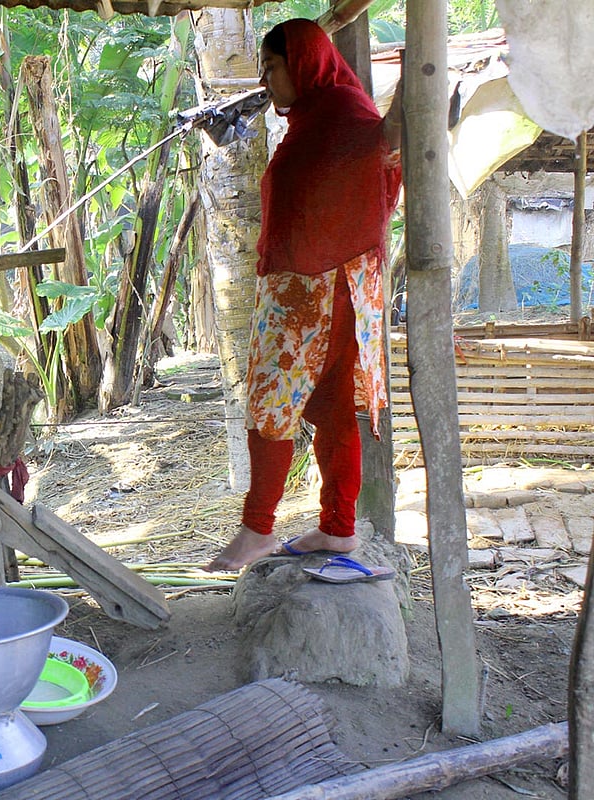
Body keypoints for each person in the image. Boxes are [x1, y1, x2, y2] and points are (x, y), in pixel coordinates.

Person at [208, 18, 403, 571]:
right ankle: (338, 529)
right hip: (322, 284)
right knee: (332, 408)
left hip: (317, 289)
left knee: (271, 401)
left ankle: (257, 529)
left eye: (272, 66)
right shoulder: (321, 116)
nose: (265, 80)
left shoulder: (342, 114)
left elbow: (382, 161)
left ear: (304, 63)